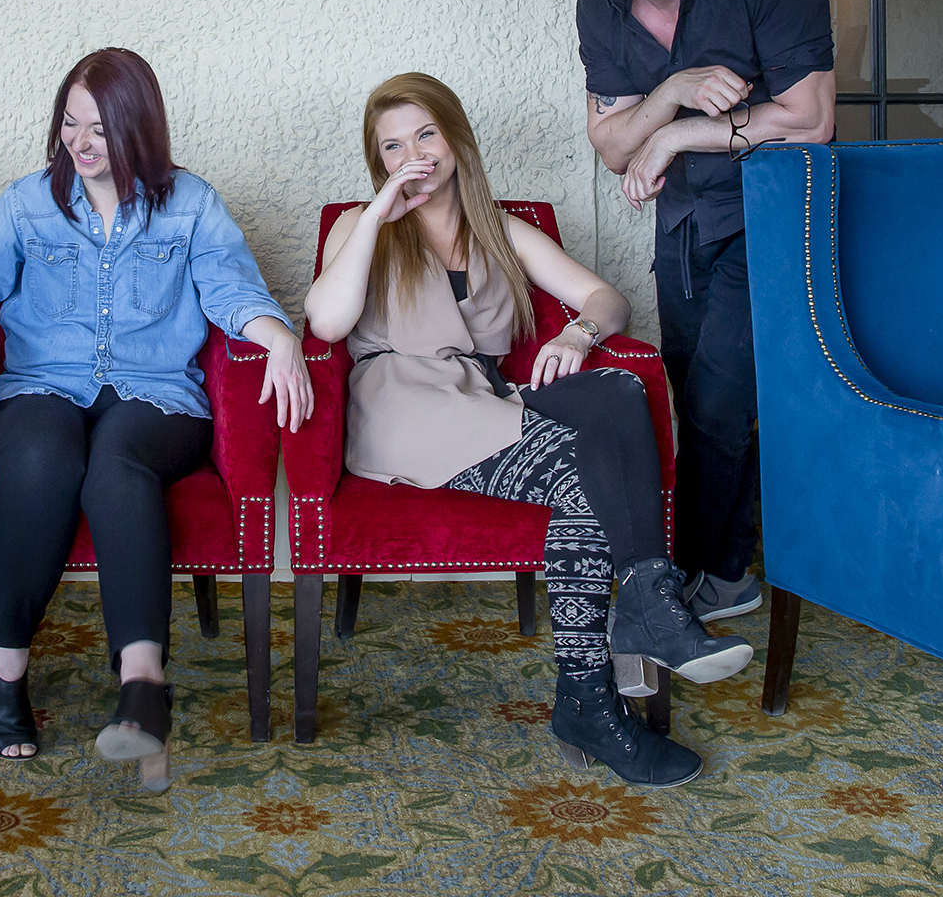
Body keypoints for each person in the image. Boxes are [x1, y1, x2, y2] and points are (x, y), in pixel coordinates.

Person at [303, 73, 754, 789]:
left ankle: (640, 607)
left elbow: (607, 298)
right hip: (401, 407)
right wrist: (380, 211)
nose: (413, 155)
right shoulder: (361, 226)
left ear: (455, 138)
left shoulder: (499, 230)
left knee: (615, 392)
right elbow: (326, 323)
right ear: (378, 161)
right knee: (589, 475)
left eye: (425, 134)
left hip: (481, 397)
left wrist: (577, 334)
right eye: (392, 146)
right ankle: (596, 693)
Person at [0, 48, 313, 791]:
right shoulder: (26, 202)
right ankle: (6, 672)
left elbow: (232, 291)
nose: (80, 142)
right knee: (42, 456)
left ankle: (142, 687)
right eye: (70, 123)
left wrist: (280, 338)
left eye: (99, 127)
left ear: (139, 126)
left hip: (157, 395)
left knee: (117, 464)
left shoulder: (190, 203)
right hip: (42, 386)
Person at [573, 0, 835, 627]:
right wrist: (674, 94)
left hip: (771, 219)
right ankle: (726, 575)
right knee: (694, 404)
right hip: (684, 227)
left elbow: (811, 120)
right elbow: (613, 145)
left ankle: (681, 583)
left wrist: (676, 137)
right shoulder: (599, 4)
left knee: (721, 407)